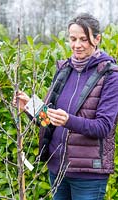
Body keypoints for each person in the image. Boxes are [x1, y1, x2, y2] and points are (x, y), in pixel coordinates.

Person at [13, 13, 118, 200]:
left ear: (97, 39)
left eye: (83, 39)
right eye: (73, 39)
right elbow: (49, 119)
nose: (77, 45)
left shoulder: (110, 76)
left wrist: (69, 120)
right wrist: (29, 106)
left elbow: (103, 127)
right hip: (58, 168)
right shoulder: (64, 70)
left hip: (88, 176)